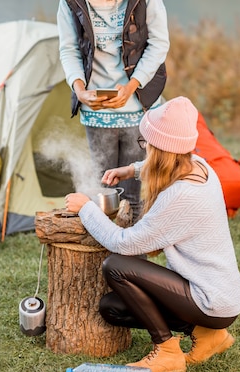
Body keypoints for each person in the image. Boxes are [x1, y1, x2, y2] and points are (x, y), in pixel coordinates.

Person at [65, 97, 240, 372]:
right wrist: (132, 170)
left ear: (160, 149)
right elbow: (165, 165)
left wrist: (86, 208)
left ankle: (167, 353)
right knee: (113, 308)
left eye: (146, 143)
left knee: (117, 267)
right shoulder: (200, 166)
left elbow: (124, 243)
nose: (144, 147)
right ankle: (210, 336)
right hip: (220, 294)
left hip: (211, 300)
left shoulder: (180, 196)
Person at [57, 0, 169, 221]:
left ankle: (133, 253)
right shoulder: (70, 2)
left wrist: (131, 87)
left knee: (132, 196)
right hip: (96, 111)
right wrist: (80, 91)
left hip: (138, 105)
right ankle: (105, 254)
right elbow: (68, 49)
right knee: (104, 194)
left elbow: (159, 44)